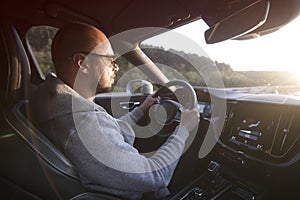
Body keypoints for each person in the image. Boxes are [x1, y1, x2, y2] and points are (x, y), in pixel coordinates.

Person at [29, 21, 200, 199]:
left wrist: (141, 110)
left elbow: (110, 133)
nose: (116, 66)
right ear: (82, 63)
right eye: (109, 60)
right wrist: (183, 130)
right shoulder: (85, 123)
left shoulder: (51, 101)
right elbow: (155, 176)